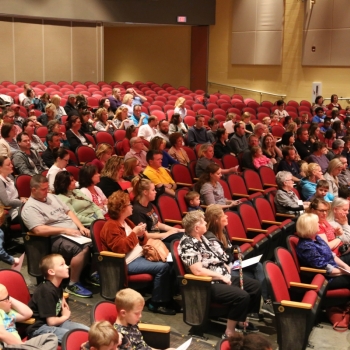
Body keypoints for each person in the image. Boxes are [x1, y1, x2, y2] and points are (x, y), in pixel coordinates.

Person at [179, 211, 262, 337]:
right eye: (203, 222)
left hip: (222, 276)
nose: (206, 223)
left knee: (255, 286)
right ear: (196, 228)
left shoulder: (203, 237)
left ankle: (241, 320)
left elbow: (213, 256)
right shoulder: (188, 244)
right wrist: (221, 276)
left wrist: (224, 265)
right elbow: (198, 271)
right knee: (242, 296)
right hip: (207, 284)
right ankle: (229, 331)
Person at [100, 192, 176, 315]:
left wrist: (141, 235)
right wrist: (134, 234)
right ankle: (156, 303)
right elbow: (120, 248)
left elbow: (143, 242)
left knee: (172, 261)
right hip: (126, 262)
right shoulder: (110, 226)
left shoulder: (127, 222)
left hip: (141, 255)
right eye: (129, 204)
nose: (132, 207)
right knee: (163, 267)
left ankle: (167, 299)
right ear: (122, 208)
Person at [21, 175, 93, 298]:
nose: (47, 191)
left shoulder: (52, 197)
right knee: (83, 248)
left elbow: (68, 211)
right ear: (34, 190)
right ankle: (73, 283)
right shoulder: (30, 208)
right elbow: (38, 230)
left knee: (97, 240)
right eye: (43, 189)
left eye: (47, 188)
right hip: (54, 237)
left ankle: (90, 274)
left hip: (72, 232)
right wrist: (65, 230)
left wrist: (81, 227)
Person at [204, 205, 273, 317]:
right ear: (216, 219)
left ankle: (265, 301)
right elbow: (225, 257)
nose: (226, 216)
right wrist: (230, 253)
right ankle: (254, 307)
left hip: (231, 264)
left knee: (258, 265)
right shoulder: (210, 237)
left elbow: (228, 250)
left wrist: (232, 250)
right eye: (223, 215)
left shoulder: (223, 231)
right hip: (224, 269)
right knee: (251, 277)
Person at [27, 254, 90, 343]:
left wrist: (62, 300)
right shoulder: (46, 291)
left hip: (57, 322)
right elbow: (51, 322)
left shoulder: (57, 284)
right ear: (51, 272)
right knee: (75, 338)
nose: (67, 266)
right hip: (40, 328)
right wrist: (65, 316)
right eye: (62, 264)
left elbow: (58, 294)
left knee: (89, 332)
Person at [296, 213, 350, 292]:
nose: (319, 224)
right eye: (317, 223)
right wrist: (346, 272)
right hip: (325, 278)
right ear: (310, 227)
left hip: (333, 267)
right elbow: (326, 269)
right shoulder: (306, 247)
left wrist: (346, 267)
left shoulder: (316, 237)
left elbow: (332, 255)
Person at [0, 283, 58, 350]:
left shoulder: (8, 312)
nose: (10, 301)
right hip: (7, 346)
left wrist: (7, 298)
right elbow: (2, 334)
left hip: (20, 345)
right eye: (7, 298)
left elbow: (28, 313)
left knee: (51, 338)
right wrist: (24, 346)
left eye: (9, 297)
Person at [131, 177, 184, 247]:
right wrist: (166, 234)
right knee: (179, 245)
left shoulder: (149, 204)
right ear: (145, 192)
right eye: (153, 190)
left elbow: (156, 223)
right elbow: (145, 235)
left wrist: (176, 230)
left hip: (159, 236)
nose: (155, 192)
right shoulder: (137, 210)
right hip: (151, 242)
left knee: (183, 236)